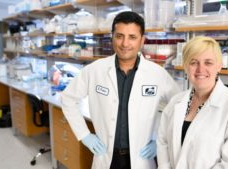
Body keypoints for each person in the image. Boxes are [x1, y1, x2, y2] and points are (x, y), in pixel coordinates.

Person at [60, 11, 180, 169]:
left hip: (141, 158)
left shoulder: (157, 74)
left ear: (142, 40)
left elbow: (179, 106)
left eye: (132, 37)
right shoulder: (95, 70)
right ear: (112, 37)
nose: (125, 43)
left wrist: (160, 140)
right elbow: (68, 98)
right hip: (106, 156)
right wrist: (85, 135)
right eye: (119, 36)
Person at [157, 36, 228, 169]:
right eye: (193, 62)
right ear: (186, 66)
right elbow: (163, 142)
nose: (200, 69)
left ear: (219, 66)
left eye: (208, 63)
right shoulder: (176, 102)